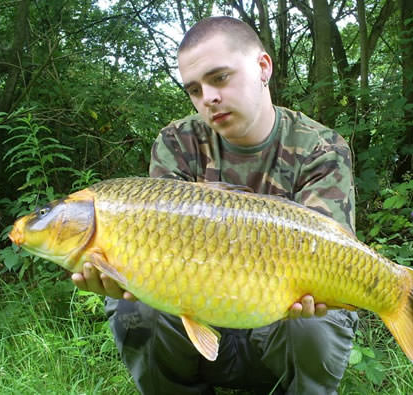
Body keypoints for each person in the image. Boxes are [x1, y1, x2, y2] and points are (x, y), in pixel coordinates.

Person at [72, 16, 358, 394]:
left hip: (278, 325)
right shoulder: (178, 142)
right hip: (202, 322)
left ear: (262, 67)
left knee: (318, 317)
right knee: (133, 305)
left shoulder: (320, 149)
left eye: (220, 78)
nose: (208, 98)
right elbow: (156, 248)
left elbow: (333, 253)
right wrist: (122, 269)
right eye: (194, 89)